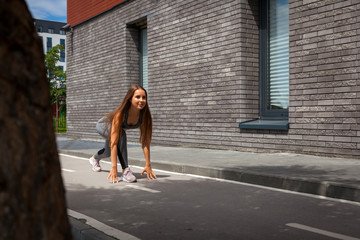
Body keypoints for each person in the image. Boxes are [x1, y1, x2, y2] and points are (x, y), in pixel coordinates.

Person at [89, 85, 156, 183]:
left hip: (116, 129)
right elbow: (114, 143)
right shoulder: (121, 114)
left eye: (144, 97)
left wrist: (148, 165)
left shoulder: (145, 116)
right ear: (130, 99)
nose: (141, 100)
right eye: (137, 97)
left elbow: (145, 141)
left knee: (108, 152)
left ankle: (94, 158)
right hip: (103, 125)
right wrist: (114, 168)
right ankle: (126, 172)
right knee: (121, 136)